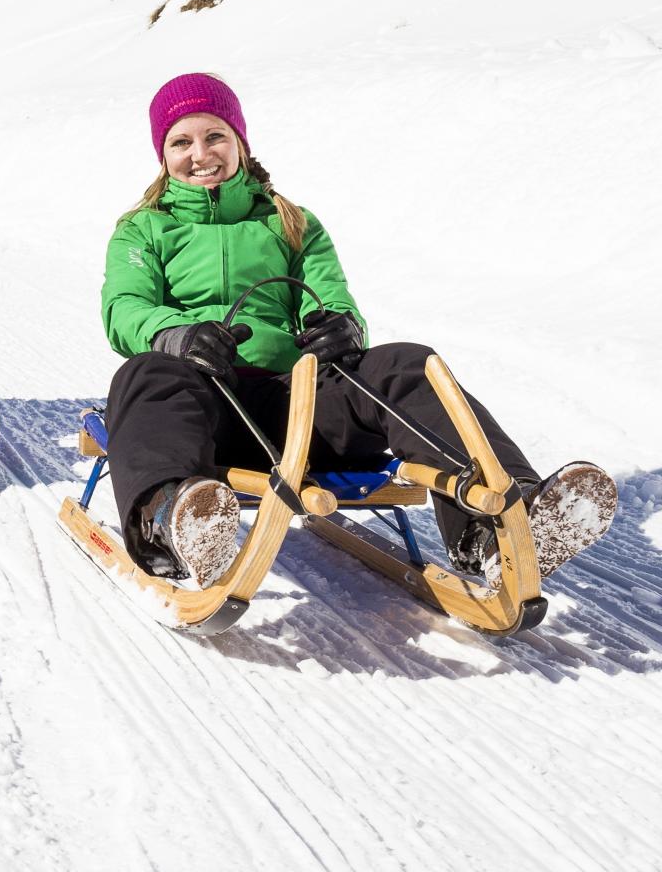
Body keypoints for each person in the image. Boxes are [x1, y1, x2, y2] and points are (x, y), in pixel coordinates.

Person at [100, 72, 618, 587]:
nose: (201, 153)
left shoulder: (290, 222)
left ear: (240, 142)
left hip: (301, 414)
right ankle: (169, 521)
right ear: (163, 155)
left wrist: (342, 328)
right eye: (181, 141)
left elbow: (332, 297)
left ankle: (502, 520)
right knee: (146, 372)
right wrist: (177, 334)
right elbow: (125, 308)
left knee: (406, 363)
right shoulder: (144, 228)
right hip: (208, 419)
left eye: (215, 135)